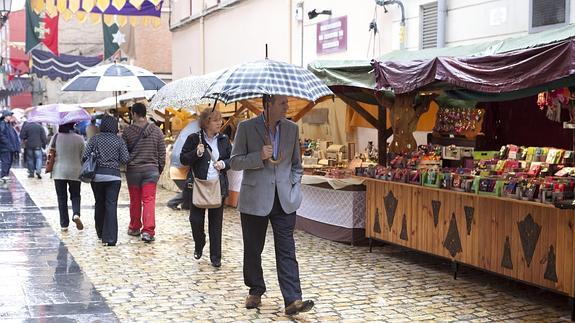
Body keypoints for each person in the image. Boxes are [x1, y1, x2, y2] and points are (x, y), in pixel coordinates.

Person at [230, 94, 314, 315]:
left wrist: (294, 185)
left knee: (287, 250)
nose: (287, 106)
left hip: (284, 201)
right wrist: (258, 156)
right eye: (282, 103)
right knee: (253, 248)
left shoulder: (291, 129)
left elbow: (297, 165)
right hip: (255, 200)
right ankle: (255, 289)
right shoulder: (246, 128)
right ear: (268, 104)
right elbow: (235, 161)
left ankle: (293, 299)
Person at [180, 108, 231, 268]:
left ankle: (216, 257)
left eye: (220, 119)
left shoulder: (223, 140)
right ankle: (199, 242)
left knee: (216, 224)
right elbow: (183, 159)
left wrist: (223, 164)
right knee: (195, 220)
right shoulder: (194, 139)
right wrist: (196, 153)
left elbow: (232, 160)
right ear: (206, 122)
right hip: (198, 186)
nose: (220, 123)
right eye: (216, 120)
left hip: (217, 186)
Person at [122, 103, 166, 243]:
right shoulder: (157, 131)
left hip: (134, 172)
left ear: (134, 114)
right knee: (149, 200)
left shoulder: (127, 132)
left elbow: (123, 154)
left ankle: (134, 227)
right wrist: (159, 169)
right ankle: (148, 231)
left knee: (135, 201)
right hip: (151, 171)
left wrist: (128, 163)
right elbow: (162, 153)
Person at [83, 115, 129, 246]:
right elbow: (125, 159)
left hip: (97, 177)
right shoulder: (119, 140)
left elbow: (85, 156)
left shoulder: (95, 139)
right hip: (114, 177)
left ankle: (100, 231)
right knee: (111, 205)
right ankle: (110, 238)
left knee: (99, 203)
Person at [51, 123, 85, 231]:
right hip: (75, 170)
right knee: (75, 195)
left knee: (62, 198)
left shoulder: (56, 137)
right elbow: (84, 156)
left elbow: (50, 151)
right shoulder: (79, 138)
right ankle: (76, 214)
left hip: (59, 171)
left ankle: (64, 224)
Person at [0, 110, 20, 182]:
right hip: (5, 147)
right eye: (9, 115)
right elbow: (1, 135)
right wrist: (7, 143)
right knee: (6, 161)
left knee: (9, 161)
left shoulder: (8, 124)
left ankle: (6, 174)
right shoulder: (2, 124)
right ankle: (3, 175)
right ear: (5, 116)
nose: (10, 117)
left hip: (9, 146)